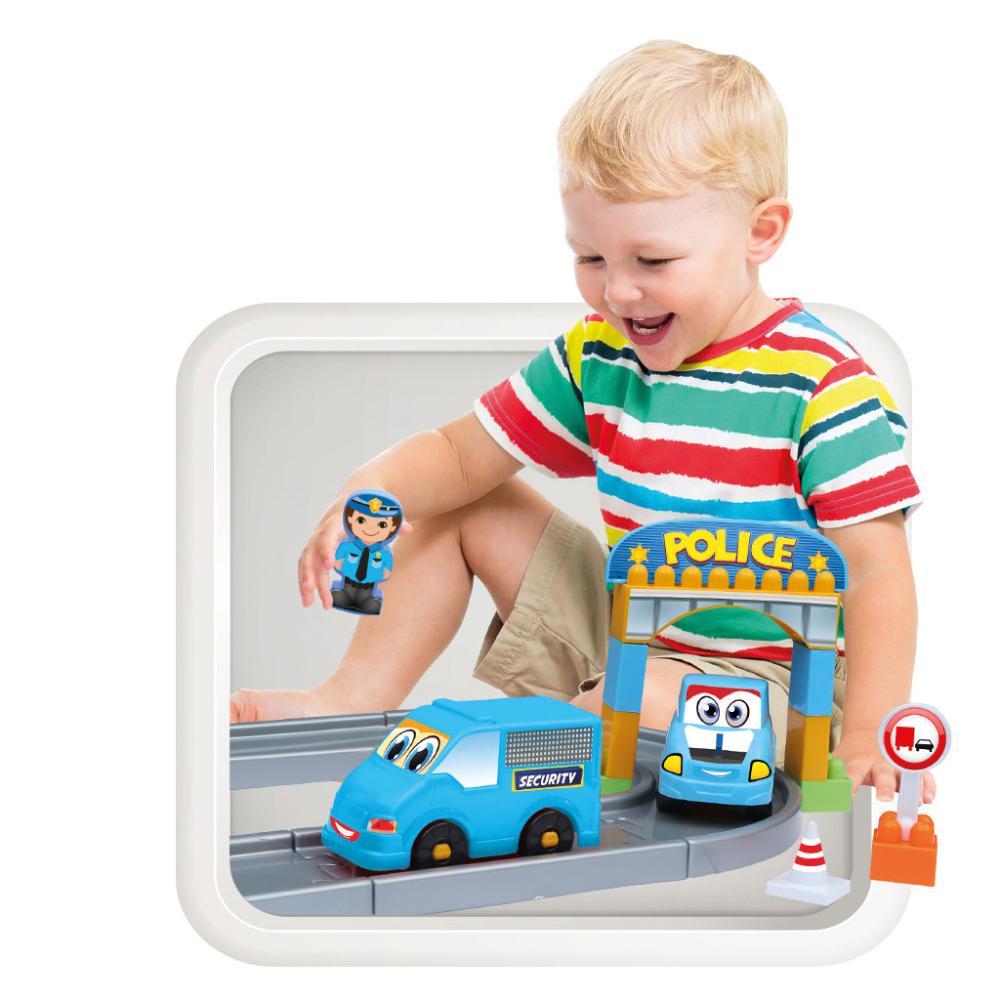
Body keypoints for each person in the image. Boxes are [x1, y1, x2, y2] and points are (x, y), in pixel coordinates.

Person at [230, 40, 933, 804]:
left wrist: (868, 731)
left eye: (652, 262)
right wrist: (372, 490)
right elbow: (461, 456)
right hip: (631, 628)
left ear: (759, 234)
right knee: (461, 502)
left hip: (778, 688)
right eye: (590, 258)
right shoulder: (597, 354)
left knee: (630, 700)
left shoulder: (825, 385)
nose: (618, 293)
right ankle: (351, 699)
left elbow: (877, 572)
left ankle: (520, 769)